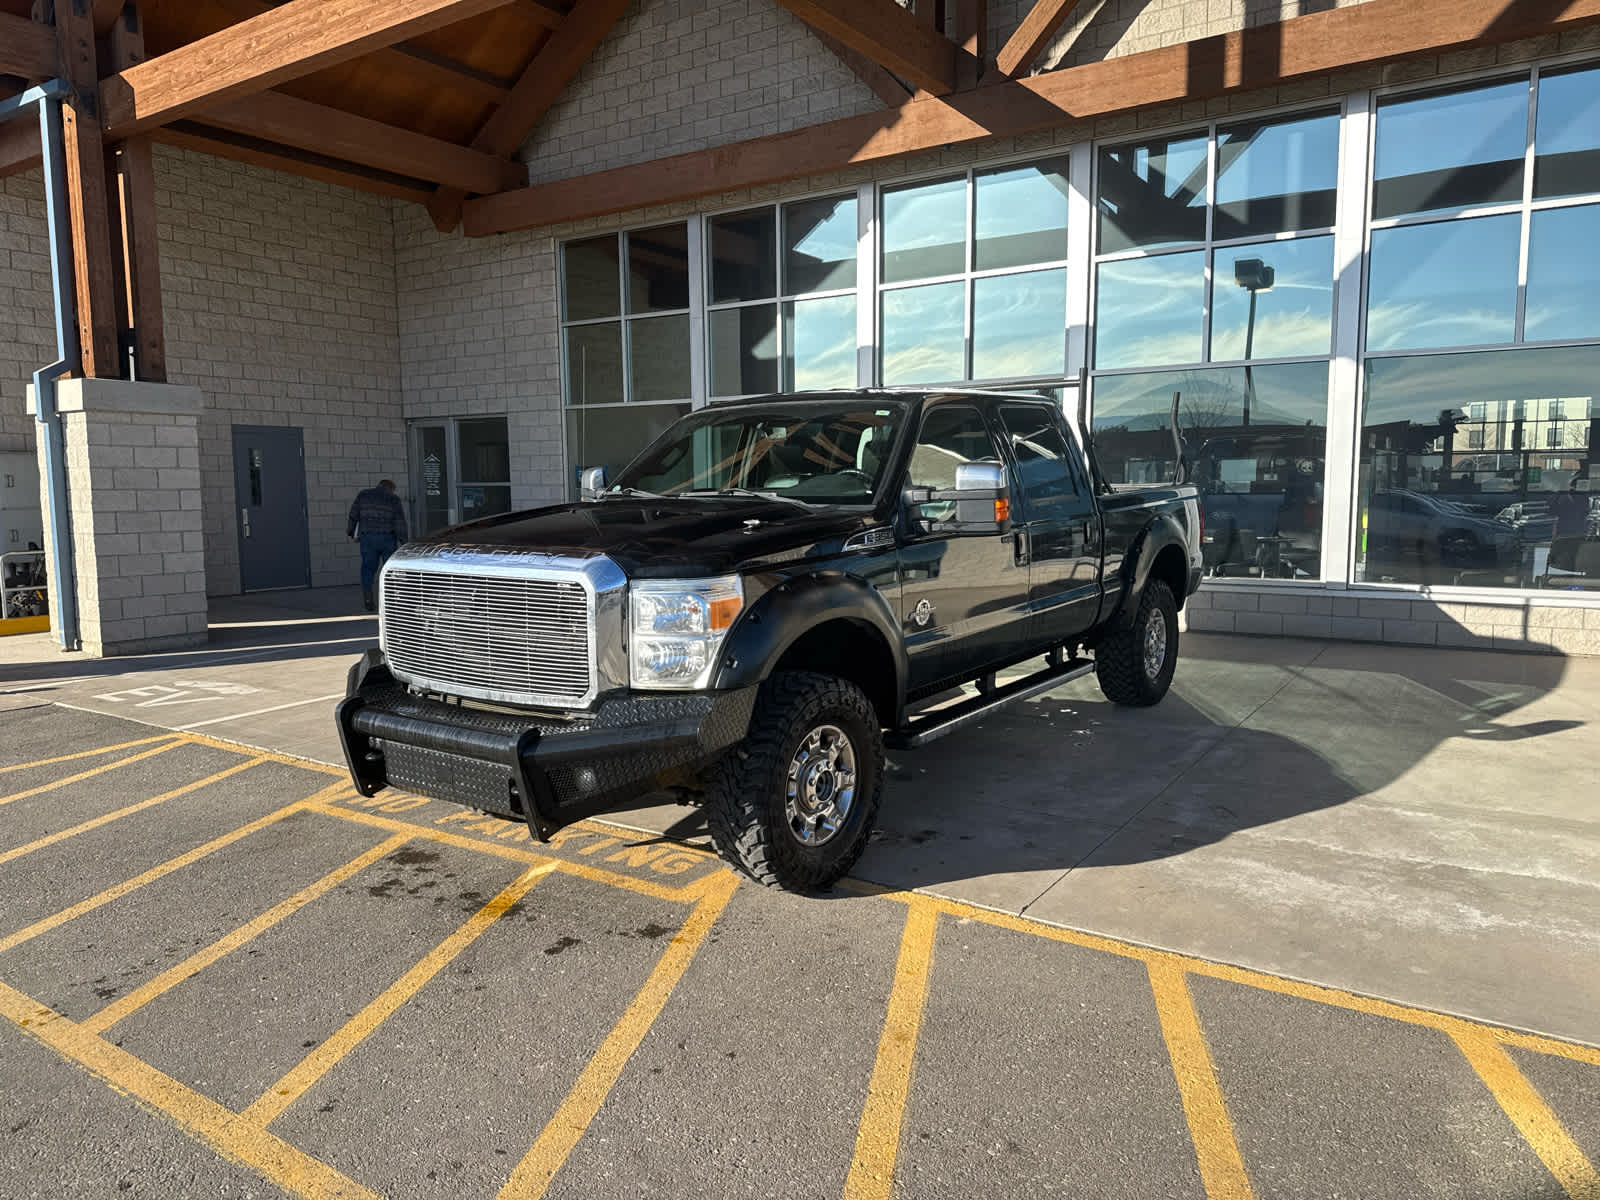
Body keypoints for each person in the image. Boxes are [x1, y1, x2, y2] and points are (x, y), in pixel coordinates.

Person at [347, 479, 408, 611]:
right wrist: (404, 542)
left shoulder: (363, 495)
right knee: (389, 570)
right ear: (390, 488)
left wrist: (351, 533)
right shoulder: (393, 499)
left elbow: (353, 514)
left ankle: (368, 599)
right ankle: (390, 601)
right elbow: (399, 522)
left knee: (368, 569)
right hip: (388, 538)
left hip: (368, 537)